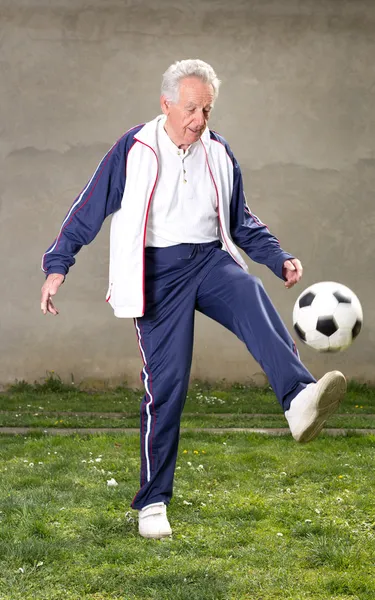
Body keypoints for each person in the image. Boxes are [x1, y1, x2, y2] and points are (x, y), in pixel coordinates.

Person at [41, 59, 346, 540]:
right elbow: (88, 208)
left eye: (206, 109)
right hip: (156, 274)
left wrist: (277, 257)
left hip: (209, 260)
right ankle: (153, 502)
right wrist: (58, 265)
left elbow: (242, 219)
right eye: (191, 108)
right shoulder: (134, 147)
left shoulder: (218, 152)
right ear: (165, 105)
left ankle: (299, 399)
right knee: (169, 387)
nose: (200, 120)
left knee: (249, 291)